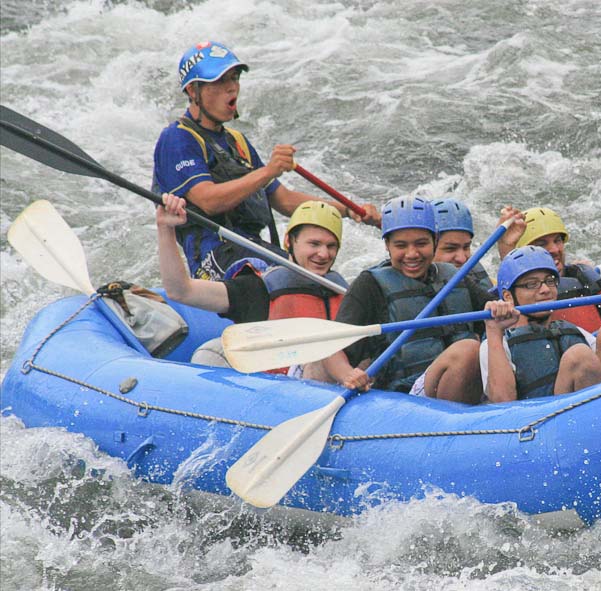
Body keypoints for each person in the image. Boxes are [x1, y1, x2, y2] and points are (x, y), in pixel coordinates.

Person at [152, 40, 379, 280]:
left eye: (235, 77)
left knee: (326, 281)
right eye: (220, 81)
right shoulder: (177, 138)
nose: (232, 88)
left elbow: (285, 200)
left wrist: (349, 209)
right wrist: (269, 171)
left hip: (252, 247)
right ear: (192, 91)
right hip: (214, 256)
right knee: (289, 280)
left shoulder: (237, 142)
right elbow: (208, 201)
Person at [306, 196, 495, 403]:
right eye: (401, 245)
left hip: (451, 388)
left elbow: (495, 315)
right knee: (468, 349)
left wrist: (500, 309)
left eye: (421, 243)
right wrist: (347, 375)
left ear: (435, 240)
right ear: (387, 245)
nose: (412, 254)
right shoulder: (370, 284)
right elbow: (333, 348)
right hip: (401, 398)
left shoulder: (454, 277)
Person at [481, 247, 601, 402]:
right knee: (579, 356)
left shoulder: (573, 332)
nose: (544, 290)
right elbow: (502, 402)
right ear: (508, 296)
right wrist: (493, 330)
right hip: (544, 431)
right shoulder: (497, 343)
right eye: (532, 284)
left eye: (550, 281)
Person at [156, 193, 347, 326]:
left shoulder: (343, 291)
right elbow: (181, 291)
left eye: (331, 246)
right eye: (314, 244)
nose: (323, 254)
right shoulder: (257, 288)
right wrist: (166, 229)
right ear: (289, 241)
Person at [497, 206, 601, 333]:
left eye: (558, 240)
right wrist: (506, 250)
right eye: (541, 244)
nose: (555, 249)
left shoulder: (584, 277)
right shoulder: (512, 294)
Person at [431, 198, 494, 289]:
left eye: (466, 247)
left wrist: (506, 248)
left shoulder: (475, 282)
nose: (462, 259)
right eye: (450, 249)